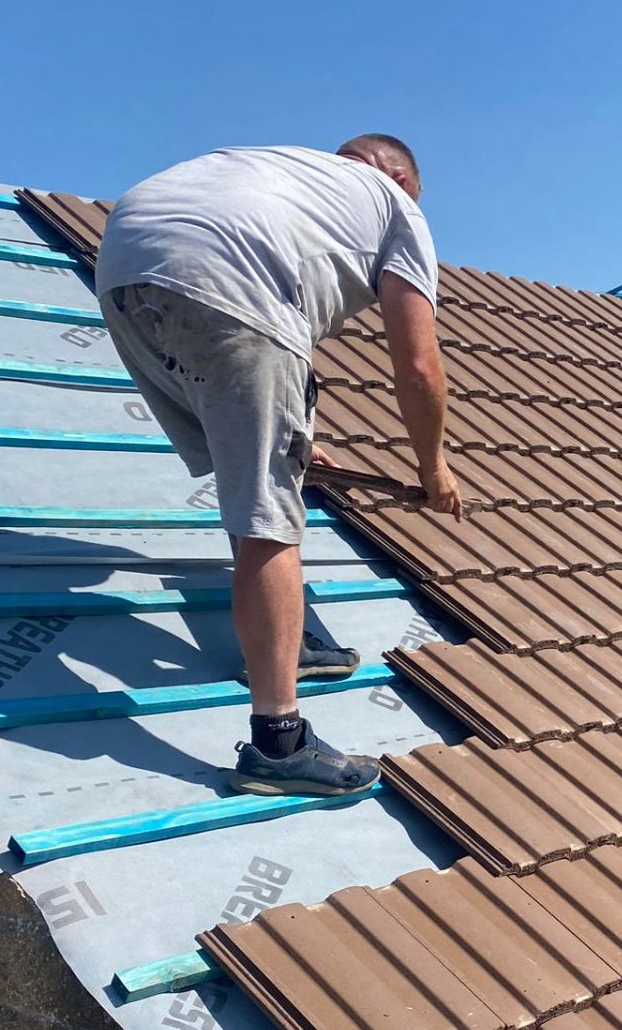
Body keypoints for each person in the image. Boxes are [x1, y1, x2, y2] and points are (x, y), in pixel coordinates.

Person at [97, 135, 462, 796]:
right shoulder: (397, 207)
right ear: (402, 178)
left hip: (123, 264)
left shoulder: (282, 172)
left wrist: (292, 434)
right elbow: (417, 364)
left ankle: (283, 647)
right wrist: (433, 466)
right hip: (225, 283)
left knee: (254, 481)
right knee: (268, 512)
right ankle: (279, 741)